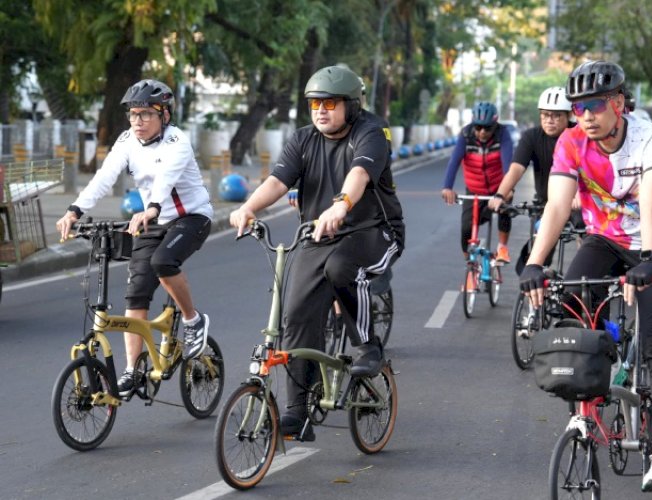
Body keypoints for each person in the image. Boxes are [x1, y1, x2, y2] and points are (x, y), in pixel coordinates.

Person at [519, 60, 652, 496]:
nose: (585, 116)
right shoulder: (571, 143)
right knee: (573, 315)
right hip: (604, 239)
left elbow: (650, 201)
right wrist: (535, 264)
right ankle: (584, 411)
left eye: (594, 106)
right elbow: (557, 207)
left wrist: (649, 259)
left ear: (618, 104)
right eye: (578, 108)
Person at [229, 65, 404, 440]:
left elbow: (358, 174)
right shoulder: (303, 140)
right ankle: (297, 412)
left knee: (342, 269)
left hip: (374, 232)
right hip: (316, 234)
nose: (321, 111)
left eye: (329, 103)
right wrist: (248, 207)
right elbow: (277, 181)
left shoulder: (370, 133)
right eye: (314, 105)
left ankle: (368, 346)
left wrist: (340, 206)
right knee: (295, 315)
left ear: (351, 106)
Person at [56, 79, 213, 395]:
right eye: (133, 115)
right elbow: (104, 178)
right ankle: (131, 370)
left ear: (163, 115)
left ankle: (193, 320)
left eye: (145, 114)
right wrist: (74, 211)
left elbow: (165, 179)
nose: (137, 121)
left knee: (164, 261)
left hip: (190, 218)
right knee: (135, 294)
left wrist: (152, 208)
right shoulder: (127, 141)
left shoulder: (176, 142)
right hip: (151, 221)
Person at [488, 87, 582, 272]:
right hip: (547, 203)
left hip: (578, 202)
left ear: (569, 115)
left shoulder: (580, 134)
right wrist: (500, 194)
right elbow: (516, 168)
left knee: (586, 239)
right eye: (545, 115)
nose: (549, 120)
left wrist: (581, 195)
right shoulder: (531, 137)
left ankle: (585, 284)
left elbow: (590, 168)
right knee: (535, 261)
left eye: (556, 116)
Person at [442, 101, 514, 263]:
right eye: (478, 127)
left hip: (498, 188)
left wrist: (508, 189)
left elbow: (508, 163)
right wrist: (447, 187)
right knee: (466, 228)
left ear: (495, 125)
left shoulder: (503, 134)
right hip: (474, 189)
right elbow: (454, 161)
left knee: (505, 210)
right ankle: (469, 263)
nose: (482, 132)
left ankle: (502, 247)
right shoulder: (466, 135)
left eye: (487, 128)